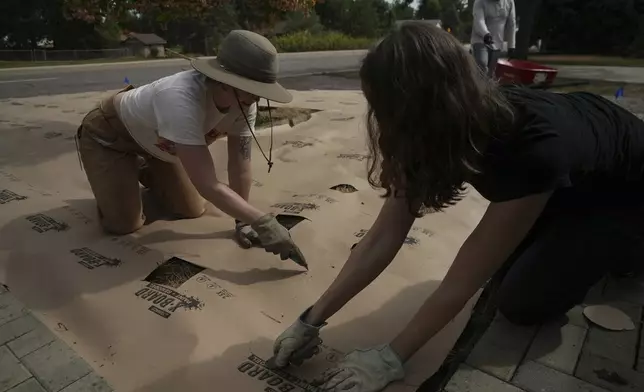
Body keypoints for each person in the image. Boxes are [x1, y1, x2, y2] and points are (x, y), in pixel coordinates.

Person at [270, 22, 644, 391]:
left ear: (424, 111)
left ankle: (630, 246)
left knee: (520, 302)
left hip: (622, 190)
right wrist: (311, 319)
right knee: (513, 255)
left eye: (387, 110)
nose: (382, 123)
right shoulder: (432, 131)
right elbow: (383, 236)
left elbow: (462, 281)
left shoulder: (530, 147)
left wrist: (390, 358)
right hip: (571, 168)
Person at [76, 30, 306, 267]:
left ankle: (143, 170)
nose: (256, 99)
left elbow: (240, 165)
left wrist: (243, 221)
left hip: (163, 145)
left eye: (261, 91)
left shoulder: (245, 103)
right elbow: (208, 184)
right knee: (125, 224)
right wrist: (263, 221)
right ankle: (123, 170)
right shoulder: (180, 98)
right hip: (112, 136)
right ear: (225, 81)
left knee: (191, 208)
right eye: (251, 89)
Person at [471, 0, 516, 78]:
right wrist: (485, 34)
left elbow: (511, 24)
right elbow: (479, 20)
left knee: (491, 71)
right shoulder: (480, 2)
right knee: (482, 63)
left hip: (498, 41)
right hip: (481, 39)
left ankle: (488, 88)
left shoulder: (509, 2)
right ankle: (478, 86)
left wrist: (511, 45)